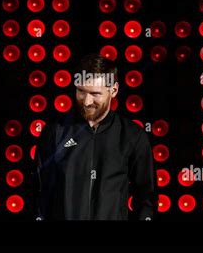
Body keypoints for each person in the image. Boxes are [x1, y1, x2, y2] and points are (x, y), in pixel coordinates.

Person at [35, 53, 155, 220]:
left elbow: (145, 197)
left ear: (113, 90)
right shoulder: (54, 132)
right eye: (81, 91)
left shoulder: (132, 135)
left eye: (95, 93)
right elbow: (40, 192)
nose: (86, 101)